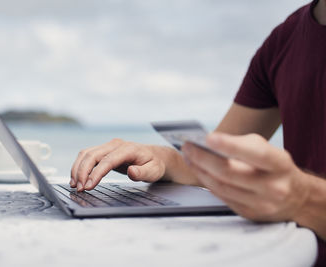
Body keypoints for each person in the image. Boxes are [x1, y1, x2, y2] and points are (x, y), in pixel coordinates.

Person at [70, 0, 326, 265]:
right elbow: (219, 163)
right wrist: (162, 160)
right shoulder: (285, 38)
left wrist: (303, 197)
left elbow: (296, 195)